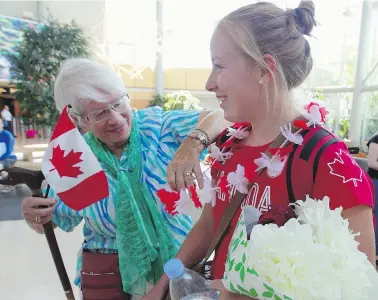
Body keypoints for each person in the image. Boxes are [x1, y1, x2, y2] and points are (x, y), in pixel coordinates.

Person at [145, 2, 376, 300]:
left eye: (219, 65)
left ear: (264, 69)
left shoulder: (328, 162)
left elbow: (360, 286)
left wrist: (237, 294)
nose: (209, 83)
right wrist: (164, 283)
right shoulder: (231, 144)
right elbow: (208, 224)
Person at [20, 58, 229, 300]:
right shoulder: (74, 158)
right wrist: (35, 215)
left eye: (119, 103)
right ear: (79, 120)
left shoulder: (158, 127)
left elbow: (222, 117)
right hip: (107, 278)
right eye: (100, 113)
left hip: (178, 268)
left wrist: (192, 144)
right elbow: (52, 219)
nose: (116, 119)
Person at [367, 131, 378, 260]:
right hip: (375, 182)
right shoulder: (376, 139)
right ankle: (373, 252)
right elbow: (371, 163)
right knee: (375, 215)